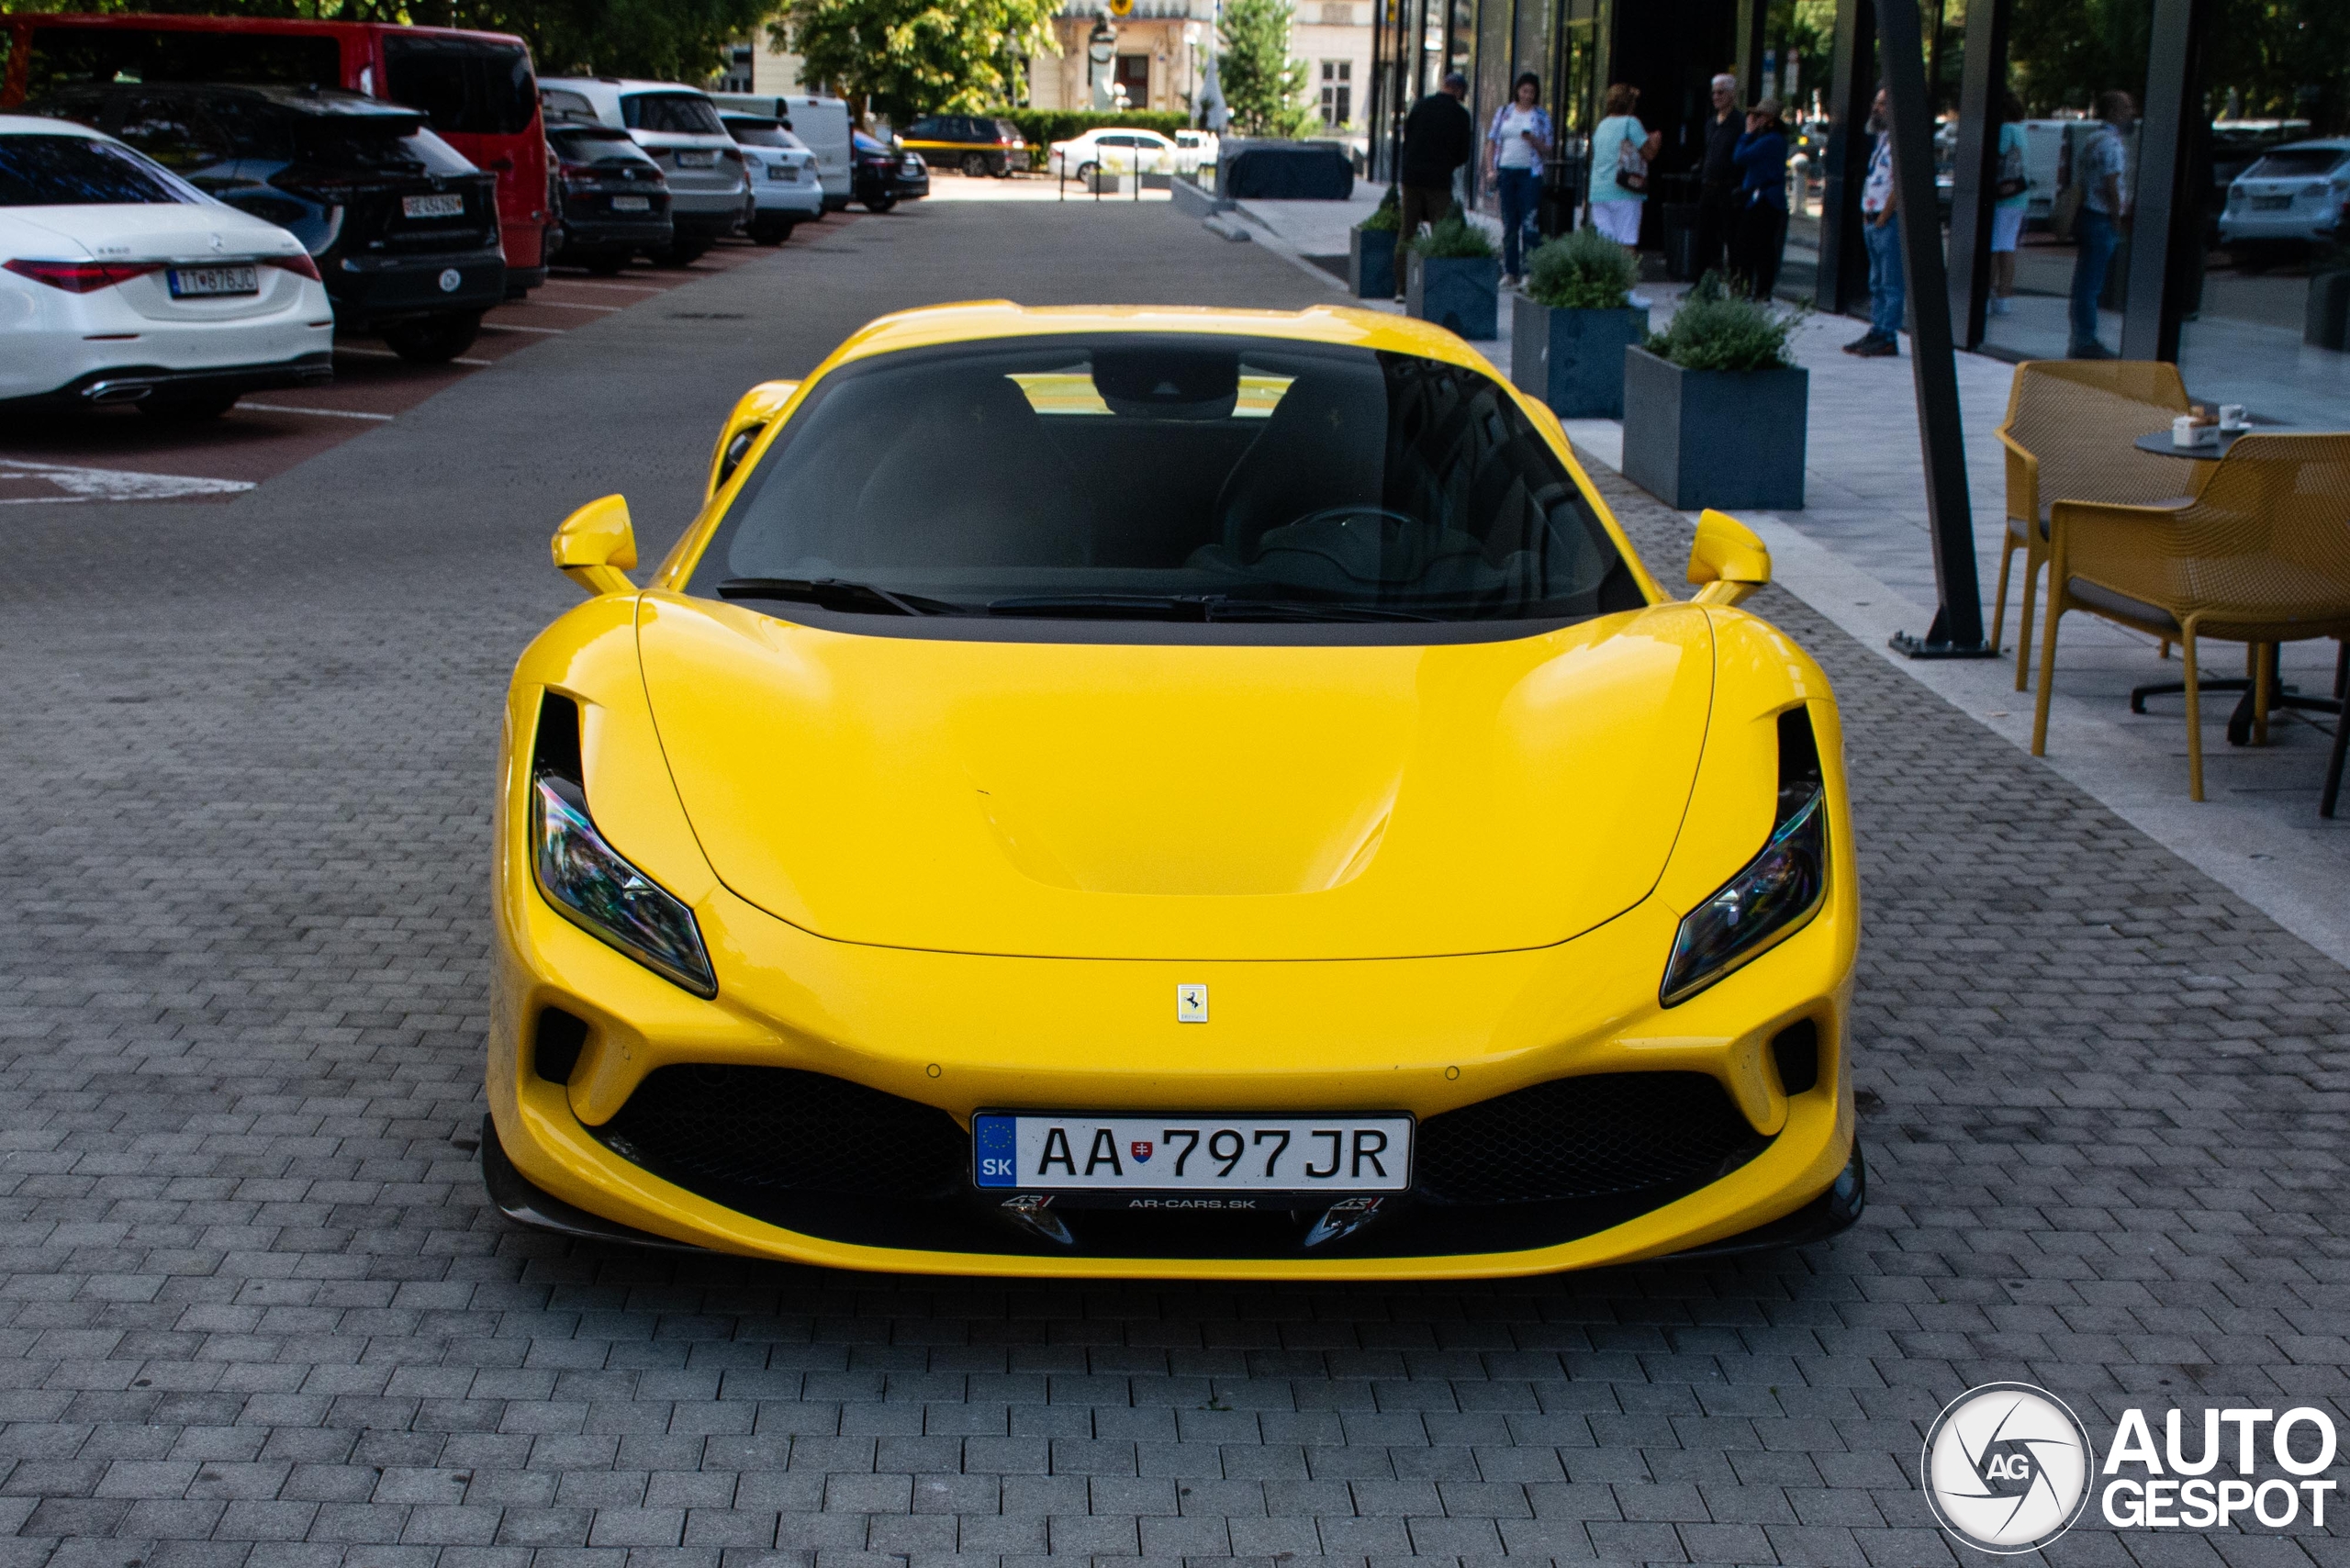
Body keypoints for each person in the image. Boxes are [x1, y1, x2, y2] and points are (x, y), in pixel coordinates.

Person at [2068, 90, 2132, 358]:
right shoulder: (2111, 144)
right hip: (2101, 217)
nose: (2130, 113)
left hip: (2087, 213)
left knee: (2085, 280)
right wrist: (2117, 216)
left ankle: (2080, 336)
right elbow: (2111, 184)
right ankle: (2085, 340)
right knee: (2091, 283)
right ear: (2114, 112)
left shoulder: (2092, 139)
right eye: (2126, 108)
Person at [1398, 70, 1474, 290]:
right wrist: (1447, 163)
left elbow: (1407, 137)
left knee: (1407, 230)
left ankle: (1401, 287)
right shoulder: (1461, 115)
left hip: (1412, 176)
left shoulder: (1420, 106)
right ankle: (1436, 286)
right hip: (1439, 179)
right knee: (1440, 231)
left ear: (1443, 85)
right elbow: (1463, 154)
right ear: (1458, 91)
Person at [1845, 85, 1902, 357]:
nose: (1875, 108)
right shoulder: (1882, 140)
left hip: (1885, 220)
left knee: (1890, 282)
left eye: (1882, 104)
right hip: (1871, 217)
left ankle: (1887, 334)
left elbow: (1900, 185)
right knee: (1876, 281)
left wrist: (1884, 216)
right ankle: (1877, 329)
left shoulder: (1901, 142)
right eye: (1876, 103)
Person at [1484, 73, 1552, 286]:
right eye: (1524, 91)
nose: (1527, 95)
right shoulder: (1505, 112)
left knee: (1530, 223)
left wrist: (1534, 140)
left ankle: (1529, 272)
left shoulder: (1540, 116)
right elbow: (1492, 140)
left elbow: (1548, 148)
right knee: (1509, 222)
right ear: (1517, 91)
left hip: (1529, 173)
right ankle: (1510, 271)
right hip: (1506, 171)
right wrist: (1490, 169)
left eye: (1532, 92)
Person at [1587, 83, 1660, 247]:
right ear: (1629, 103)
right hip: (1624, 191)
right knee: (1627, 245)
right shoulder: (1630, 123)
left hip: (1599, 192)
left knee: (1606, 247)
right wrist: (1656, 142)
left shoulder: (1602, 125)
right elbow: (1649, 154)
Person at [1731, 96, 1789, 299]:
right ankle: (1757, 289)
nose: (1755, 119)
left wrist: (1747, 133)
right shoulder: (1769, 138)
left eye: (1759, 116)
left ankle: (1752, 289)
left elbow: (1739, 157)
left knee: (1752, 245)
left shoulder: (1771, 140)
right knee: (1760, 246)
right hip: (1760, 197)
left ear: (1769, 119)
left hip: (1765, 200)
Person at [1695, 73, 1744, 280]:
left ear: (1732, 94)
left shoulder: (1739, 123)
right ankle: (1702, 282)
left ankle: (1735, 283)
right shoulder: (1710, 123)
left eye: (1721, 92)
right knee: (1704, 237)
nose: (1716, 97)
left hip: (1728, 188)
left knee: (1732, 238)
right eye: (1714, 93)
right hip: (1709, 186)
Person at [1989, 89, 2028, 316]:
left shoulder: (2005, 130)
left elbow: (1996, 153)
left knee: (1995, 247)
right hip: (2018, 197)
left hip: (2002, 198)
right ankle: (2004, 296)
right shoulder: (2022, 130)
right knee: (2008, 245)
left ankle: (1988, 293)